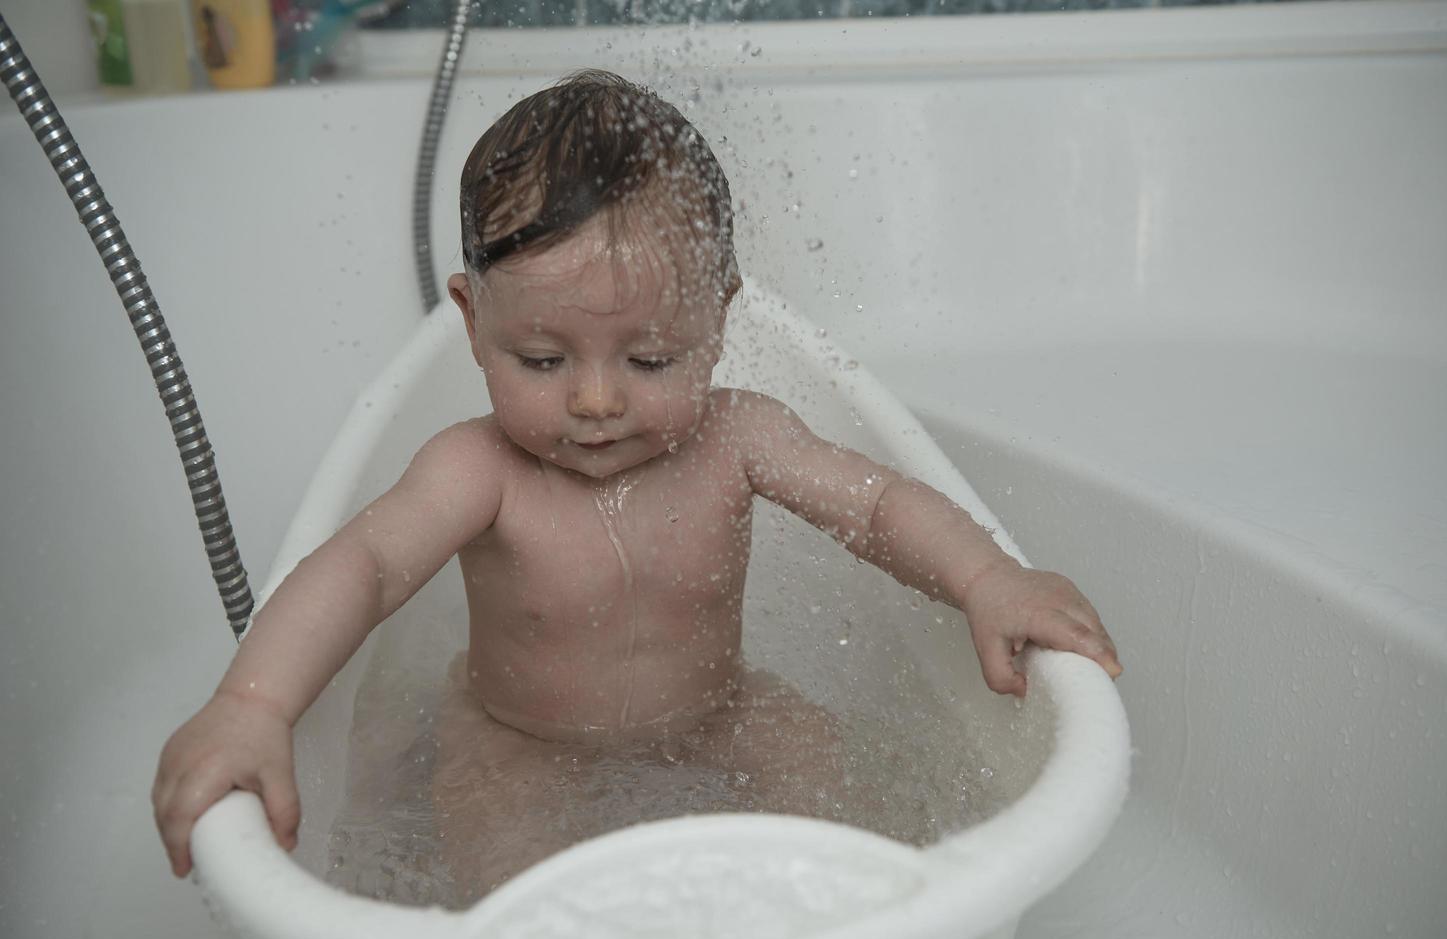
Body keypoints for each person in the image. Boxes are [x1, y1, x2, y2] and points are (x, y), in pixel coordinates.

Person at [153, 69, 1121, 896]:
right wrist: (253, 704)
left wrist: (986, 579)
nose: (596, 400)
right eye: (540, 358)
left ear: (720, 316)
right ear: (471, 316)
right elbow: (361, 567)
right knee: (501, 868)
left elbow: (874, 505)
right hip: (515, 731)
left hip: (720, 707)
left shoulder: (738, 435)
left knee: (846, 794)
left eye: (652, 359)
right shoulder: (475, 467)